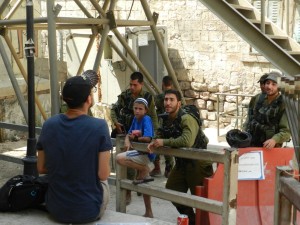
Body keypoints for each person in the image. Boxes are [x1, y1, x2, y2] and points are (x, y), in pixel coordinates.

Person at [36, 71, 112, 224]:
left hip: (56, 209)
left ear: (65, 99)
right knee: (104, 182)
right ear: (89, 99)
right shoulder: (99, 126)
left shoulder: (49, 125)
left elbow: (41, 168)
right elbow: (103, 174)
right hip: (89, 211)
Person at [147, 89, 213, 225]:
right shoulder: (166, 118)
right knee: (172, 188)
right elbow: (159, 133)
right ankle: (192, 220)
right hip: (182, 162)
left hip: (198, 163)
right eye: (166, 100)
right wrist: (155, 140)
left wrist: (164, 142)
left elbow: (187, 141)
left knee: (201, 199)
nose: (168, 103)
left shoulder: (186, 118)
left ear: (179, 103)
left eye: (171, 100)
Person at [110, 71, 158, 204]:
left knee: (138, 165)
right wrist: (116, 122)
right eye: (130, 84)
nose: (131, 87)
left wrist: (153, 134)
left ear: (141, 84)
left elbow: (153, 117)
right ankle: (128, 192)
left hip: (141, 137)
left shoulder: (147, 98)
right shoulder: (125, 96)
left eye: (134, 85)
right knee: (128, 167)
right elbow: (113, 109)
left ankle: (140, 186)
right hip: (126, 131)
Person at [116, 98, 155, 218]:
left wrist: (135, 139)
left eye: (140, 109)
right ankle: (149, 212)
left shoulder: (146, 119)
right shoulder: (135, 119)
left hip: (146, 155)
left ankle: (144, 168)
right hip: (139, 153)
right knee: (144, 186)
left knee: (119, 158)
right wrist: (128, 139)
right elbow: (129, 133)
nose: (137, 111)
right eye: (135, 108)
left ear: (146, 110)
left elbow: (148, 138)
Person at [243, 71, 291, 148]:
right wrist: (244, 132)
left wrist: (274, 140)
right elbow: (249, 119)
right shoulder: (257, 98)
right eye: (267, 83)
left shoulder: (284, 104)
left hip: (270, 146)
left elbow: (286, 132)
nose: (269, 87)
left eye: (274, 84)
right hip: (252, 141)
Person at [150, 76, 175, 177]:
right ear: (171, 84)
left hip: (161, 124)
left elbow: (155, 106)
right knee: (168, 146)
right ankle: (169, 170)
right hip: (173, 124)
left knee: (156, 144)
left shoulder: (160, 97)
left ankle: (157, 168)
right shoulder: (175, 96)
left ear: (163, 84)